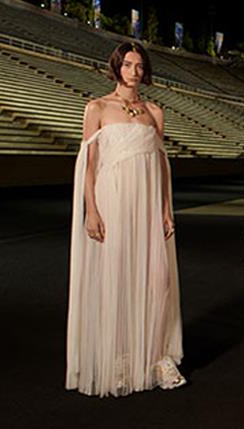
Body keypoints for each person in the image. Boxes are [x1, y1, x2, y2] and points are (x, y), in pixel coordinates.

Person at [67, 41, 184, 397]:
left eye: (139, 65)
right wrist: (91, 209)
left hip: (148, 204)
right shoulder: (98, 107)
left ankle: (157, 356)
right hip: (113, 201)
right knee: (116, 278)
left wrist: (166, 209)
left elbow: (161, 166)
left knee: (159, 279)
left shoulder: (154, 112)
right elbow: (89, 166)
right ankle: (118, 359)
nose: (134, 71)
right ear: (117, 67)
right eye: (128, 64)